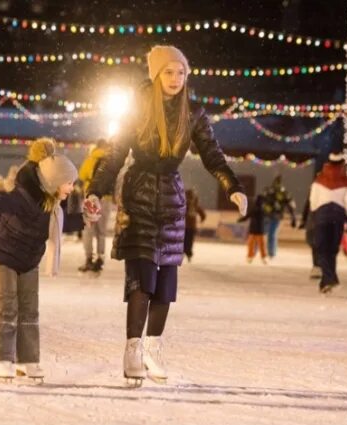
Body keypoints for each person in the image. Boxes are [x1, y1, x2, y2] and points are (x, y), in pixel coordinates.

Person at [86, 45, 247, 384]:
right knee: (142, 275)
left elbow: (213, 156)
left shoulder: (194, 114)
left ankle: (153, 348)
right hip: (138, 195)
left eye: (181, 72)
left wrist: (233, 186)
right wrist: (95, 191)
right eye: (169, 72)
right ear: (156, 75)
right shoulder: (138, 109)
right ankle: (133, 347)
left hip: (172, 201)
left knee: (166, 282)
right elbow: (115, 155)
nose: (176, 79)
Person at [0, 138, 86, 380]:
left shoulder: (53, 205)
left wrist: (87, 219)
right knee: (6, 306)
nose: (72, 188)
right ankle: (2, 359)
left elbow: (63, 225)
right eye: (68, 183)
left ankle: (27, 359)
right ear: (54, 181)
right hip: (4, 256)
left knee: (30, 311)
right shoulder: (23, 196)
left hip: (29, 260)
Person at [308, 151, 347, 293]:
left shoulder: (319, 179)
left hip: (321, 215)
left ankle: (328, 281)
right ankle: (329, 280)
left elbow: (313, 201)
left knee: (322, 248)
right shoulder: (346, 180)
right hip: (338, 216)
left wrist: (316, 213)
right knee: (332, 249)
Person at [78, 139, 112, 273]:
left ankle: (88, 259)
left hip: (92, 197)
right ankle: (100, 259)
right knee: (101, 232)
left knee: (88, 230)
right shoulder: (110, 161)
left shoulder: (90, 159)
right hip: (106, 197)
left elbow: (81, 175)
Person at [262, 175, 297, 259]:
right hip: (269, 215)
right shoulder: (272, 191)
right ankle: (267, 252)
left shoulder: (281, 192)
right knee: (265, 233)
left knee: (270, 234)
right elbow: (263, 202)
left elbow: (290, 204)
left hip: (274, 216)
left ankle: (271, 253)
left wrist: (293, 217)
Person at [238, 195, 267, 264]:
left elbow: (248, 216)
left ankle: (255, 256)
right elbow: (248, 216)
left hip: (256, 230)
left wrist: (241, 219)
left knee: (255, 244)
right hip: (258, 230)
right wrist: (242, 219)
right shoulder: (261, 209)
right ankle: (258, 257)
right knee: (258, 244)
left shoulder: (257, 209)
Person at [183, 188, 206, 262]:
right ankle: (187, 253)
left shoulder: (187, 203)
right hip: (188, 226)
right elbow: (201, 212)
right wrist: (202, 218)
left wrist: (202, 217)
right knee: (188, 240)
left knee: (186, 240)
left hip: (187, 226)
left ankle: (187, 253)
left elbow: (201, 212)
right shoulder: (190, 204)